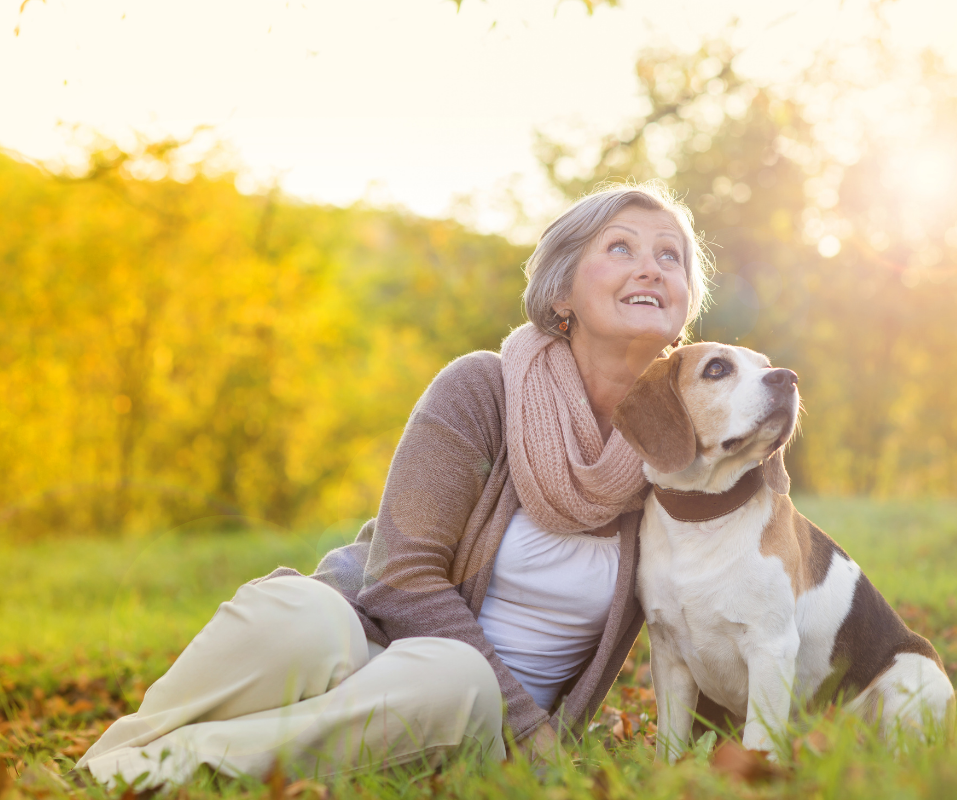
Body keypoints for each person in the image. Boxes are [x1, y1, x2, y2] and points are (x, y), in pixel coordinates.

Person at [74, 180, 712, 789]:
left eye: (670, 256)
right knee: (299, 613)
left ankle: (150, 772)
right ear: (560, 292)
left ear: (685, 300)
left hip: (482, 725)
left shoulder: (694, 434)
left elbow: (761, 572)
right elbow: (402, 575)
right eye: (620, 247)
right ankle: (114, 762)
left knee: (453, 679)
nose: (651, 267)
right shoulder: (484, 390)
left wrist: (532, 733)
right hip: (371, 649)